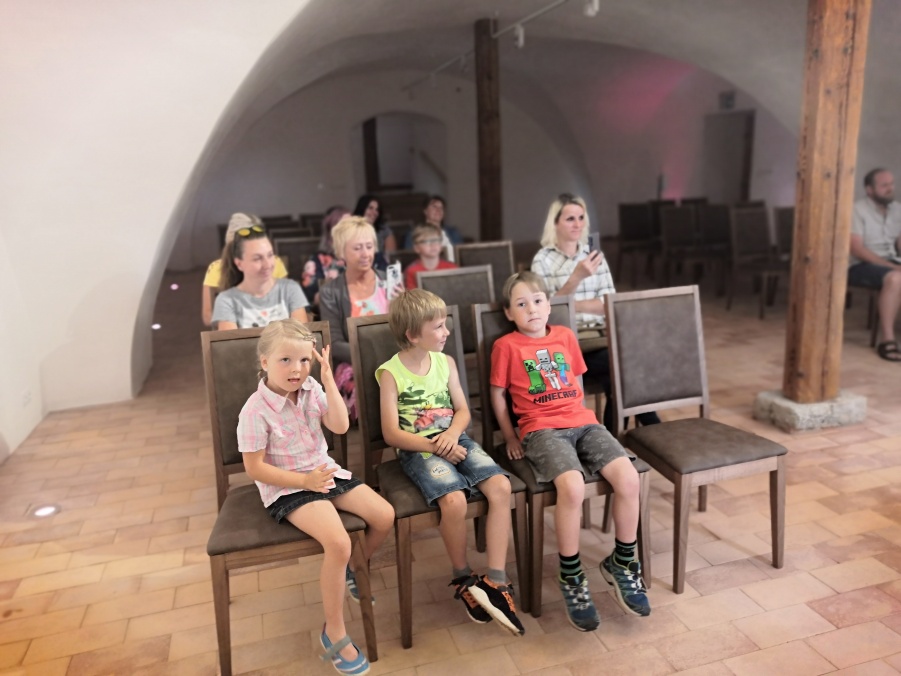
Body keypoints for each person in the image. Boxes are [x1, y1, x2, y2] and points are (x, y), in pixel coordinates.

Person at [490, 271, 650, 632]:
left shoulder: (564, 335)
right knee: (573, 486)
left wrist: (583, 418)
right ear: (509, 313)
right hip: (540, 429)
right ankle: (571, 574)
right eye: (521, 304)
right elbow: (498, 395)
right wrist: (510, 436)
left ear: (549, 305)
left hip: (583, 423)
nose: (531, 309)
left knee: (628, 478)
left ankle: (623, 561)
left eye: (537, 301)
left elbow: (576, 380)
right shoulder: (506, 346)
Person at [238, 319, 394, 674]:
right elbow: (255, 469)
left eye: (304, 360)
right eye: (286, 360)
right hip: (288, 485)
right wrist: (303, 481)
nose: (296, 369)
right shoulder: (254, 410)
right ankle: (333, 631)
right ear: (265, 362)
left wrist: (328, 381)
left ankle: (352, 570)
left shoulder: (311, 388)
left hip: (322, 472)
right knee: (338, 542)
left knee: (384, 515)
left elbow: (340, 426)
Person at [377, 289, 524, 636]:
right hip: (419, 449)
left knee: (501, 487)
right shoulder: (390, 373)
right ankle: (463, 577)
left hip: (455, 438)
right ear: (413, 335)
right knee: (454, 500)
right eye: (439, 327)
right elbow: (391, 434)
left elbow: (462, 411)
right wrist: (439, 446)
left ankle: (496, 580)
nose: (447, 332)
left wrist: (454, 436)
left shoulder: (446, 363)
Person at [531, 193, 660, 428]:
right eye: (570, 219)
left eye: (581, 218)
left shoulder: (594, 256)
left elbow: (609, 305)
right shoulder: (543, 259)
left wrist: (572, 304)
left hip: (600, 338)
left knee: (618, 376)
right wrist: (576, 278)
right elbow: (544, 312)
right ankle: (651, 426)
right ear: (555, 223)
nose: (578, 224)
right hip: (564, 344)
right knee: (625, 368)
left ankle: (614, 437)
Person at [319, 216, 403, 420]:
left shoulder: (389, 282)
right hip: (354, 364)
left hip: (395, 359)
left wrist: (402, 305)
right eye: (357, 248)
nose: (365, 254)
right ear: (341, 253)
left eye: (369, 246)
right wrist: (372, 358)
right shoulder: (330, 292)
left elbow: (408, 330)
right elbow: (335, 343)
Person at [211, 224, 309, 329]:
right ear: (239, 264)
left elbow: (302, 336)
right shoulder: (226, 300)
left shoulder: (291, 289)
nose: (267, 265)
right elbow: (230, 340)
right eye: (257, 258)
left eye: (270, 255)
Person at [849, 168, 901, 361]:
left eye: (891, 184)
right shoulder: (857, 209)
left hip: (891, 260)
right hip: (861, 264)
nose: (890, 188)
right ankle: (887, 339)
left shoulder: (897, 209)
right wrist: (892, 267)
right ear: (869, 189)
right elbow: (857, 249)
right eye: (884, 185)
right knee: (896, 278)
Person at [201, 213, 289, 326]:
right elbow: (208, 316)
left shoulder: (274, 263)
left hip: (270, 329)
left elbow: (286, 307)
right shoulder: (215, 269)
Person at [302, 206, 349, 305]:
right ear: (332, 231)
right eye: (344, 227)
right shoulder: (317, 260)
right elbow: (310, 296)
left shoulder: (361, 256)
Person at [404, 194, 464, 262]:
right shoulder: (413, 233)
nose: (438, 210)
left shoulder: (453, 232)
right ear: (425, 211)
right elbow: (409, 257)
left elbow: (461, 255)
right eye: (434, 206)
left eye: (441, 207)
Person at [403, 223, 458, 289]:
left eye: (436, 240)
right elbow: (412, 294)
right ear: (416, 248)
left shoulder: (451, 268)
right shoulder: (411, 271)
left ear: (441, 245)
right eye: (426, 241)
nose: (433, 245)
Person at [352, 194, 394, 266]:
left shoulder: (384, 231)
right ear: (362, 208)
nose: (375, 213)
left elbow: (391, 257)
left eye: (377, 210)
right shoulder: (350, 229)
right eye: (370, 208)